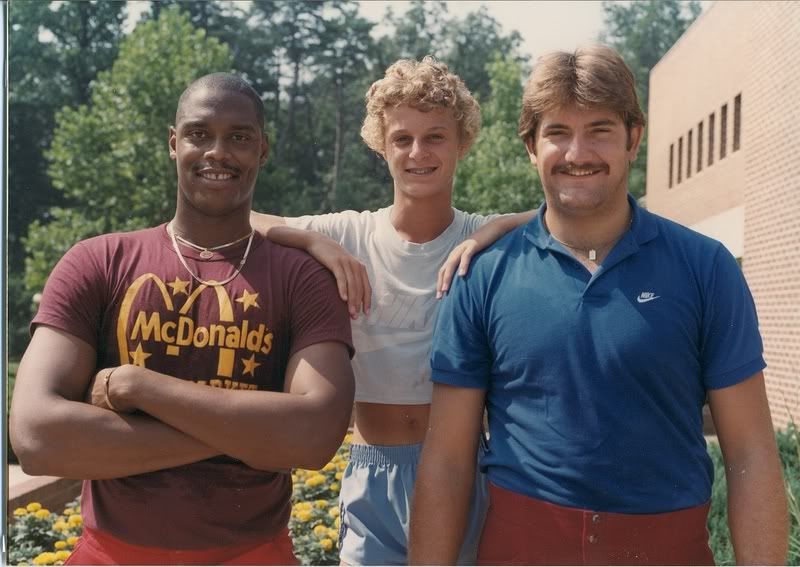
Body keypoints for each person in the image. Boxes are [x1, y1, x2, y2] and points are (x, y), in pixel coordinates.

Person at [409, 45, 789, 565]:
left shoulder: (707, 268)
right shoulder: (483, 276)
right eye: (558, 133)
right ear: (530, 146)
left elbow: (750, 454)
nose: (577, 153)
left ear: (635, 137)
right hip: (520, 548)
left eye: (600, 130)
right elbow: (447, 462)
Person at [9, 73, 355, 565]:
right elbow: (37, 438)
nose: (218, 151)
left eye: (239, 136)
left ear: (263, 149)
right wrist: (251, 437)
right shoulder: (98, 262)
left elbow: (316, 435)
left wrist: (137, 386)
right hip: (109, 554)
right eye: (199, 133)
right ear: (174, 144)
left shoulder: (302, 277)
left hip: (254, 554)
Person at [250, 56, 534, 565]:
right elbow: (243, 219)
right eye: (402, 138)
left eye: (435, 137)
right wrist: (315, 242)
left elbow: (557, 213)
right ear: (381, 145)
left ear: (463, 142)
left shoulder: (477, 238)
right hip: (370, 465)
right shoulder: (350, 233)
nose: (417, 152)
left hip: (459, 469)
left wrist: (492, 230)